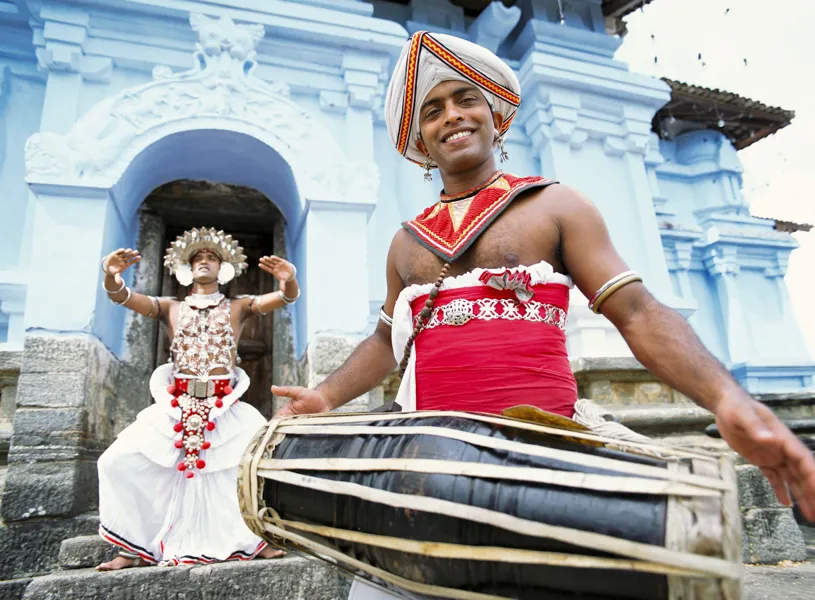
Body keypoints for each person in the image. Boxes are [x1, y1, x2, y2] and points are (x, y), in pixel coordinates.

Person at [272, 31, 815, 541]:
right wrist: (324, 396)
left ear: (496, 114)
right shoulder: (405, 242)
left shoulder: (555, 205)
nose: (452, 116)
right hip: (432, 463)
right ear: (420, 141)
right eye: (432, 112)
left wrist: (728, 400)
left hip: (550, 455)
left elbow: (637, 311)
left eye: (466, 99)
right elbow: (384, 340)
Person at [95, 227, 298, 570]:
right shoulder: (169, 307)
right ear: (187, 268)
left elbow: (283, 299)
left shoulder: (239, 306)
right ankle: (132, 548)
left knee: (248, 467)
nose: (204, 261)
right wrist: (111, 274)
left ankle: (255, 540)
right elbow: (125, 297)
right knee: (117, 461)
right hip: (176, 405)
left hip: (225, 406)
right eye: (197, 258)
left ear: (223, 268)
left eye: (211, 258)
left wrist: (288, 280)